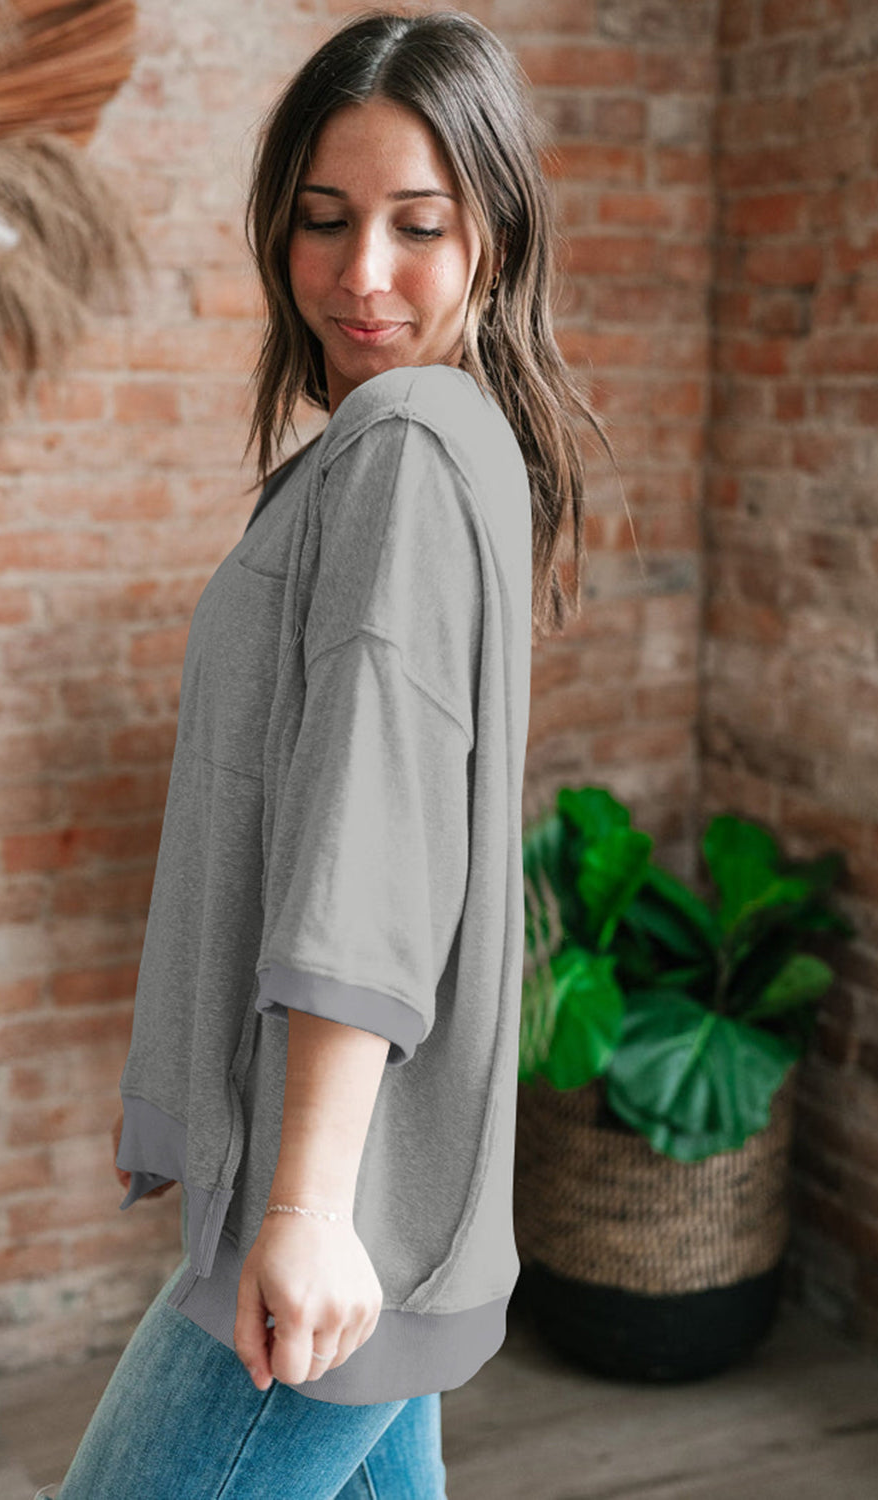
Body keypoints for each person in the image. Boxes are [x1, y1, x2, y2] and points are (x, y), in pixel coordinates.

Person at [40, 8, 614, 1499]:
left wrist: (304, 1209)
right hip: (373, 1185)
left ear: (494, 237)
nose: (361, 273)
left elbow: (371, 837)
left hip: (338, 1197)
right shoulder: (432, 439)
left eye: (417, 225)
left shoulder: (411, 446)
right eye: (323, 219)